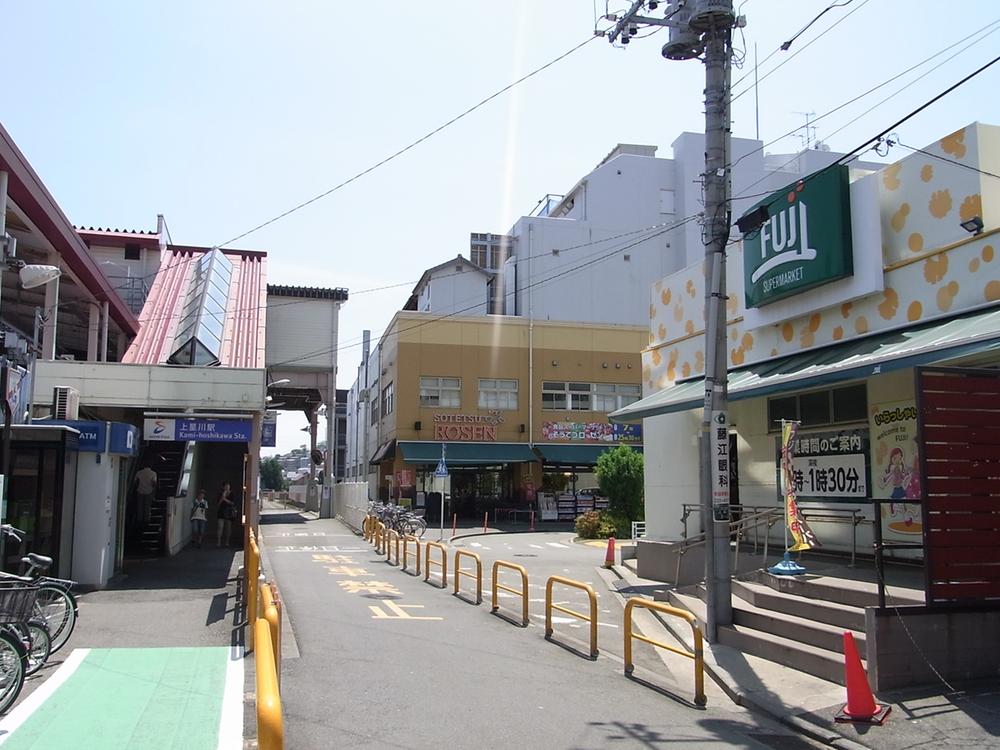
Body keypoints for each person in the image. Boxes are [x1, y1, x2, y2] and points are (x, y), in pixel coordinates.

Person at [216, 482, 237, 547]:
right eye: (225, 487)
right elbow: (218, 504)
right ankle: (218, 542)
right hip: (221, 512)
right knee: (220, 527)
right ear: (223, 487)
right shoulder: (221, 494)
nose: (227, 488)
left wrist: (225, 499)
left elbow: (232, 503)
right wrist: (222, 497)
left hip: (229, 512)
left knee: (228, 528)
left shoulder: (232, 494)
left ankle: (227, 542)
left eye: (228, 487)